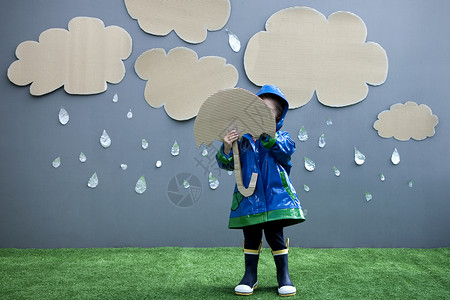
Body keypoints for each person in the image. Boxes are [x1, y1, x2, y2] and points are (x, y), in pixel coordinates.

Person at [216, 85, 305, 296]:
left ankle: (283, 275)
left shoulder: (282, 138)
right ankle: (250, 276)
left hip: (276, 199)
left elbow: (285, 150)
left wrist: (268, 136)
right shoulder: (243, 142)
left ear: (277, 118)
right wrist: (227, 148)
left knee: (275, 235)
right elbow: (228, 165)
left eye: (267, 111)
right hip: (249, 198)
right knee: (251, 236)